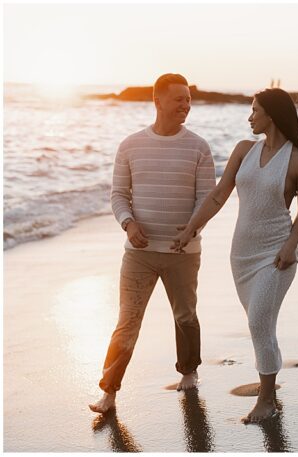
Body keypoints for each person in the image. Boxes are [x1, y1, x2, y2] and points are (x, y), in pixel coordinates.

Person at [172, 88, 298, 422]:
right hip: (242, 256)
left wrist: (289, 246)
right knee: (260, 325)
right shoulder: (243, 150)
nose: (249, 117)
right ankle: (269, 394)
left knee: (258, 323)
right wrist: (191, 228)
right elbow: (219, 194)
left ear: (272, 115)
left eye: (254, 110)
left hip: (277, 257)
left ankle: (267, 401)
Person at [89, 73, 215, 414]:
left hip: (182, 253)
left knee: (185, 315)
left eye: (188, 100)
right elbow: (118, 195)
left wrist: (191, 230)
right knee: (127, 321)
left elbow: (207, 198)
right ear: (157, 100)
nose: (185, 105)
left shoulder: (199, 147)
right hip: (139, 255)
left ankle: (189, 372)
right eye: (179, 99)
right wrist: (128, 224)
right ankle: (109, 393)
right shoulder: (130, 145)